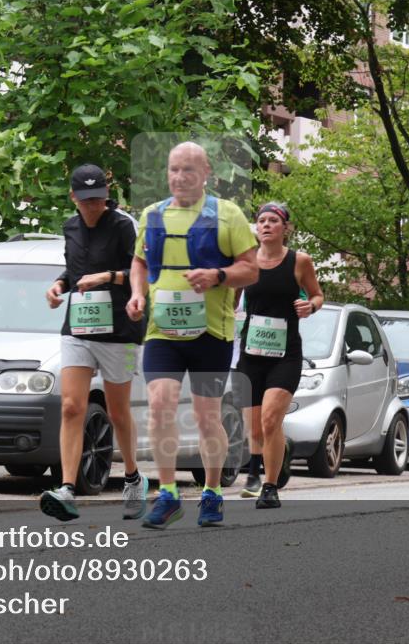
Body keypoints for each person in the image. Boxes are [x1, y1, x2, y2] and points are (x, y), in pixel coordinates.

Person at [126, 141, 257, 528]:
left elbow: (250, 270)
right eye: (173, 169)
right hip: (162, 331)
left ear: (206, 175)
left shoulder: (227, 215)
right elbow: (138, 261)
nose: (179, 177)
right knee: (160, 404)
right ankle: (167, 492)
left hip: (211, 334)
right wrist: (137, 293)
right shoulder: (152, 215)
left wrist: (218, 276)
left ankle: (212, 493)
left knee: (205, 417)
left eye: (188, 170)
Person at [40, 164, 146, 521]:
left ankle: (132, 477)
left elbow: (140, 271)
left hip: (118, 329)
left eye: (98, 199)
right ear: (73, 198)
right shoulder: (70, 227)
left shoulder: (123, 225)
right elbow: (73, 271)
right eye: (85, 200)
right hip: (79, 328)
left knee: (117, 412)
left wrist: (109, 277)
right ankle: (67, 488)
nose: (92, 206)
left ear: (107, 194)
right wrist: (58, 286)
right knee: (72, 406)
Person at [235, 202, 323, 508]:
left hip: (285, 355)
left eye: (274, 220)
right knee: (256, 427)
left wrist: (310, 306)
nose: (266, 225)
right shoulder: (246, 261)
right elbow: (232, 300)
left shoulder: (300, 261)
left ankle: (269, 486)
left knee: (271, 419)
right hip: (251, 352)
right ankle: (276, 454)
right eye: (262, 220)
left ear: (285, 228)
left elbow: (317, 295)